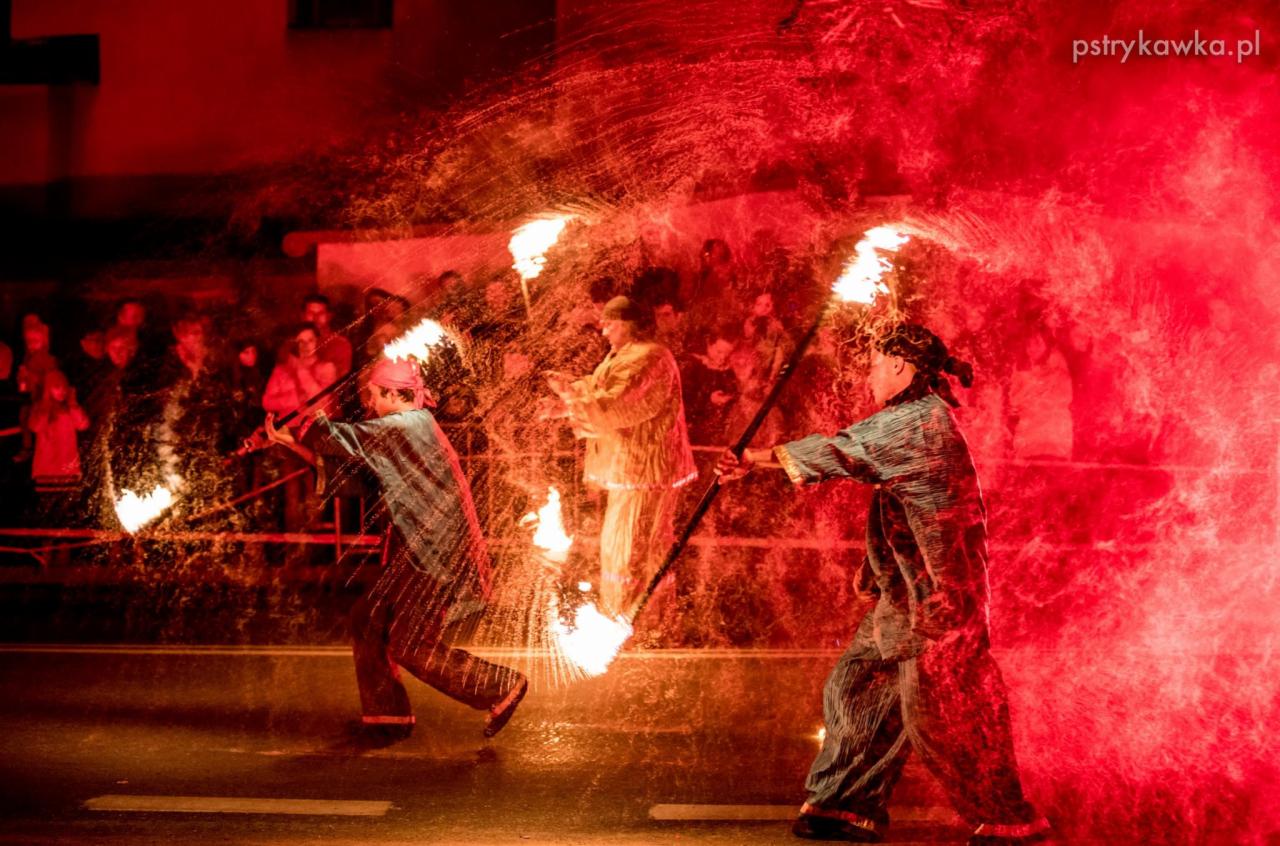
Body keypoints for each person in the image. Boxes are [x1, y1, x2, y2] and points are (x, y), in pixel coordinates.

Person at [716, 323, 1050, 846]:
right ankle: (845, 806)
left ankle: (1009, 821)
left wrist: (752, 460)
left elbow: (841, 452)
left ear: (900, 366)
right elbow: (899, 505)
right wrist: (877, 569)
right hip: (907, 597)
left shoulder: (917, 422)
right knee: (856, 687)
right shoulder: (911, 419)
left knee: (942, 719)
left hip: (938, 604)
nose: (868, 373)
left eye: (875, 362)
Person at [265, 357, 528, 744]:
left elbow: (340, 439)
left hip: (431, 549)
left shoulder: (408, 425)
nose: (369, 403)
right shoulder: (403, 429)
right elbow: (358, 473)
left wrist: (308, 419)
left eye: (373, 395)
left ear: (392, 393)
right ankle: (386, 715)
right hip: (415, 543)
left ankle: (499, 685)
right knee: (367, 618)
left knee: (410, 644)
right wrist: (293, 442)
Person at [542, 295, 696, 618]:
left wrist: (570, 398)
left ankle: (631, 621)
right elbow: (598, 389)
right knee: (628, 547)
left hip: (645, 472)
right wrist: (564, 398)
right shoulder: (624, 355)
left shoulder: (649, 357)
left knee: (630, 550)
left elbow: (618, 406)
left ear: (627, 324)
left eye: (609, 324)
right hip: (631, 471)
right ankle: (637, 618)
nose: (603, 332)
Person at [302, 294, 353, 378]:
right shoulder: (293, 343)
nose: (315, 318)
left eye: (321, 313)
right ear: (303, 316)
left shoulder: (341, 344)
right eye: (310, 313)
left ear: (329, 316)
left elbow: (341, 381)